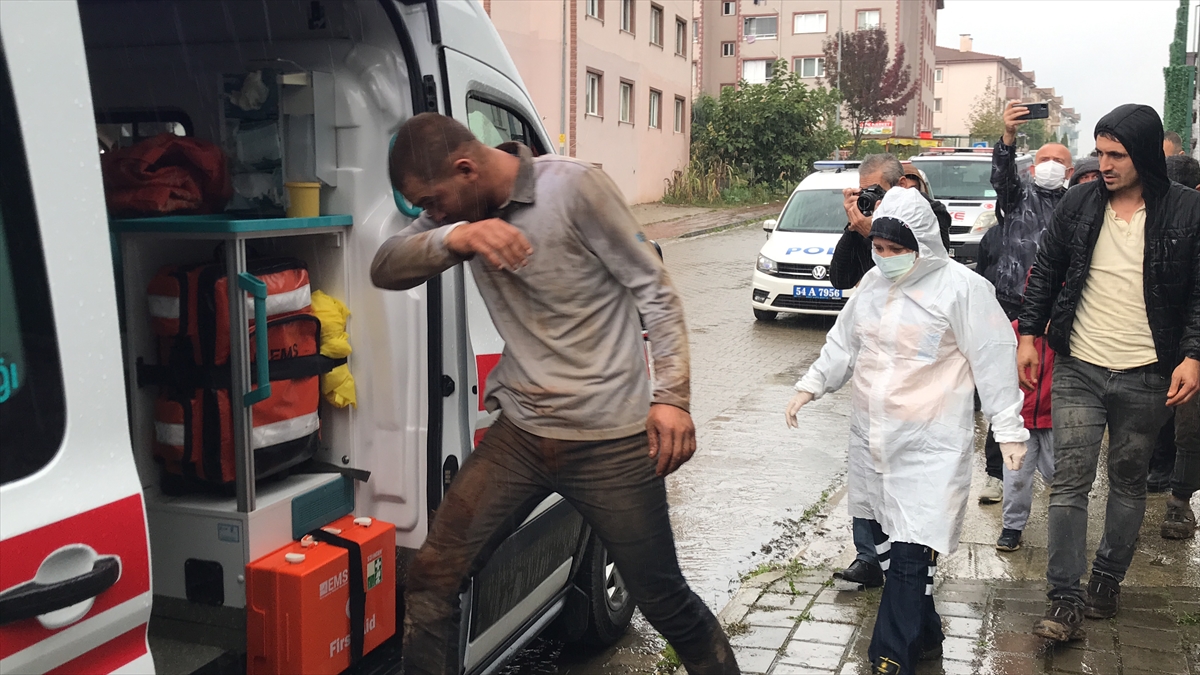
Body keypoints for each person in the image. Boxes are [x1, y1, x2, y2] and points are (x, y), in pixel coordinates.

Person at [370, 113, 738, 674]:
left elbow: (655, 290)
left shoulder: (573, 186)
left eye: (435, 201)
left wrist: (672, 397)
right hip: (520, 435)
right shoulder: (456, 218)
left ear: (465, 168)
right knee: (431, 578)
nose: (432, 213)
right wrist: (456, 234)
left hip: (608, 442)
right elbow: (384, 267)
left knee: (663, 597)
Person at [786, 187, 1028, 674]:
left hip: (930, 444)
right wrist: (810, 386)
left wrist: (1009, 428)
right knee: (876, 537)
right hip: (872, 438)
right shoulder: (872, 286)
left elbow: (994, 359)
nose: (887, 258)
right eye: (879, 248)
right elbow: (842, 345)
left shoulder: (962, 289)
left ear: (923, 244)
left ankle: (888, 655)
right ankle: (928, 634)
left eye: (897, 250)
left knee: (914, 546)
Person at [1022, 104, 1200, 641]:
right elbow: (1046, 269)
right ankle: (1064, 599)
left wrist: (1192, 354)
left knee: (1127, 482)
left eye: (1115, 154)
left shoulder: (1188, 211)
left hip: (1148, 372)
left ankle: (1105, 581)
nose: (1104, 164)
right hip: (1079, 364)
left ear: (1143, 155)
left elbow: (1197, 295)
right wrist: (1030, 336)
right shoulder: (1080, 201)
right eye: (1099, 153)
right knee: (1070, 483)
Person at [973, 101, 1074, 506]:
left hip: (1059, 313)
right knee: (1006, 394)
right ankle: (997, 473)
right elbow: (1001, 175)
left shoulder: (1077, 204)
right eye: (1044, 158)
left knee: (1054, 397)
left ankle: (1054, 472)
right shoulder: (1017, 199)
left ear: (1069, 171)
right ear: (1033, 166)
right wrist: (1008, 137)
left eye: (1058, 161)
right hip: (1012, 307)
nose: (1050, 165)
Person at [829, 153, 951, 290]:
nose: (871, 197)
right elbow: (840, 280)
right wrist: (852, 226)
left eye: (876, 191)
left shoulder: (931, 213)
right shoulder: (867, 215)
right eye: (865, 191)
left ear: (902, 184)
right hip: (878, 305)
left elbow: (930, 266)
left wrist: (873, 235)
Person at [997, 316, 1055, 552]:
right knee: (1016, 475)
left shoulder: (1073, 331)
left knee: (1061, 474)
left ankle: (1067, 525)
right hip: (1021, 418)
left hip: (1056, 417)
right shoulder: (1013, 330)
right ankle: (1012, 527)